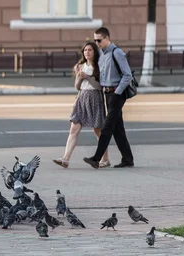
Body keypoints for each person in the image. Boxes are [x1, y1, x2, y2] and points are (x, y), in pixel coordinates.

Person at [84, 27, 135, 169]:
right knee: (118, 128)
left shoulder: (117, 53)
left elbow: (127, 75)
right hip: (107, 93)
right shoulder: (101, 54)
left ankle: (96, 158)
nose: (97, 43)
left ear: (107, 38)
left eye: (99, 40)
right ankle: (128, 159)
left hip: (117, 94)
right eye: (95, 40)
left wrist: (117, 92)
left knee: (107, 127)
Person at [52, 42, 110, 168]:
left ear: (94, 52)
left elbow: (99, 86)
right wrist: (79, 77)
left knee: (98, 131)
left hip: (95, 98)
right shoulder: (80, 66)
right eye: (85, 50)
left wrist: (88, 77)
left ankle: (105, 159)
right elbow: (77, 87)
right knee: (74, 129)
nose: (87, 52)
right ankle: (65, 159)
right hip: (82, 98)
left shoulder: (99, 66)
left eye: (90, 50)